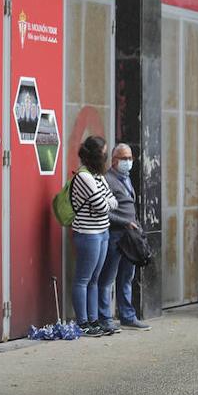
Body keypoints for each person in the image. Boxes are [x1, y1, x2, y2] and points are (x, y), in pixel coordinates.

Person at [69, 136, 118, 337]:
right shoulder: (84, 177)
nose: (106, 155)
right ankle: (82, 322)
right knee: (83, 279)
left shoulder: (98, 176)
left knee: (95, 279)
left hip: (102, 231)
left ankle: (94, 319)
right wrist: (106, 203)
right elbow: (101, 205)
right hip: (88, 233)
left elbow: (113, 201)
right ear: (97, 154)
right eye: (104, 152)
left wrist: (106, 203)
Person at [101, 144, 150, 332]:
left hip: (130, 236)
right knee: (108, 278)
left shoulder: (126, 178)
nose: (128, 162)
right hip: (116, 236)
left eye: (130, 158)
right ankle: (105, 317)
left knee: (126, 277)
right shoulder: (108, 180)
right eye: (124, 158)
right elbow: (104, 211)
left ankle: (128, 316)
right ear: (114, 160)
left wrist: (134, 224)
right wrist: (125, 222)